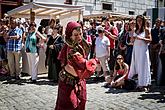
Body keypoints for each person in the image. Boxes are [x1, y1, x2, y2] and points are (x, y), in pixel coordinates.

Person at [55, 21, 97, 110]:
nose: (79, 37)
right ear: (70, 35)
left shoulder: (79, 44)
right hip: (67, 82)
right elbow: (83, 64)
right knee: (69, 105)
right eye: (76, 35)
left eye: (80, 34)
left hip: (78, 80)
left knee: (81, 102)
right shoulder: (71, 50)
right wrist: (95, 61)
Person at [128, 15, 152, 91]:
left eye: (140, 20)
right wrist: (132, 35)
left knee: (143, 67)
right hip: (136, 50)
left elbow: (150, 40)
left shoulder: (146, 30)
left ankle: (144, 84)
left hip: (143, 51)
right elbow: (131, 41)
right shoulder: (135, 30)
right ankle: (138, 83)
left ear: (143, 21)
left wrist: (140, 38)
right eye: (137, 20)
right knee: (136, 66)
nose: (139, 22)